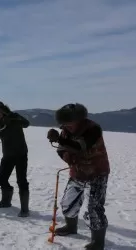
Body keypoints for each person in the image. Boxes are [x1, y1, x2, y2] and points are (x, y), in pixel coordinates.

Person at [47, 103, 109, 250]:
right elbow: (62, 150)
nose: (66, 127)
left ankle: (98, 242)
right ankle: (71, 227)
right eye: (64, 124)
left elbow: (81, 146)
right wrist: (66, 156)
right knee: (68, 203)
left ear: (79, 120)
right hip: (77, 172)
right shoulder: (65, 132)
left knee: (94, 208)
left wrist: (60, 140)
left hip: (97, 173)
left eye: (69, 124)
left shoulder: (92, 129)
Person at [0, 101, 30, 217]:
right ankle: (6, 201)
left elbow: (26, 123)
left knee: (22, 181)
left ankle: (25, 209)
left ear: (3, 110)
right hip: (8, 155)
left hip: (21, 154)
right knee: (2, 179)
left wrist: (14, 121)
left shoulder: (15, 116)